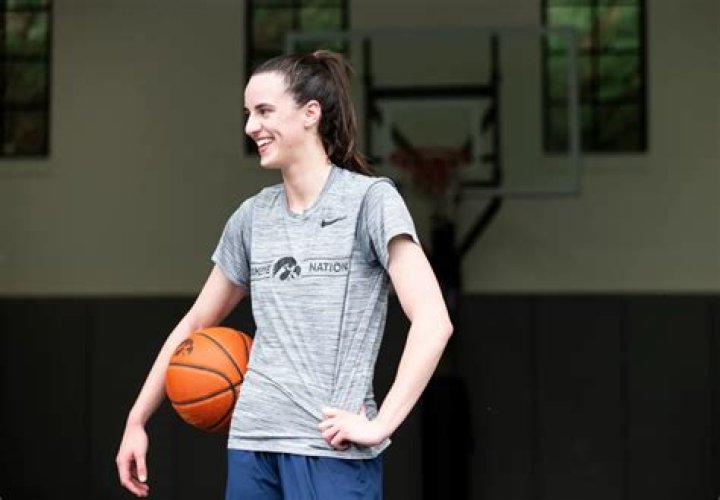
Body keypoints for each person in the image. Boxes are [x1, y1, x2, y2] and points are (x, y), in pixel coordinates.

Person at [116, 50, 453, 500]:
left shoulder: (369, 202)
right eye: (248, 114)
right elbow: (195, 323)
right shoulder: (251, 218)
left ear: (311, 113)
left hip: (331, 449)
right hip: (252, 445)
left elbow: (433, 320)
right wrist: (137, 420)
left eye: (264, 111)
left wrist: (381, 424)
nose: (250, 126)